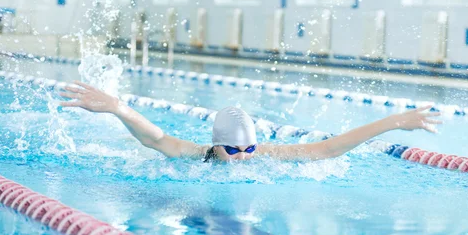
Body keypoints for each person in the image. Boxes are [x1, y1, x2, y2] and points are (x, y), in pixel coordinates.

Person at [59, 81, 441, 162]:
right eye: (234, 149)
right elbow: (157, 140)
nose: (243, 157)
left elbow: (329, 148)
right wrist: (117, 107)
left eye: (248, 148)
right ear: (216, 145)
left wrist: (393, 122)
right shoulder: (199, 155)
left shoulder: (268, 155)